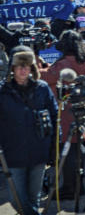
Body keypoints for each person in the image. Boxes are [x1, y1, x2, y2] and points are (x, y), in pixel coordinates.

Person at [0, 48, 57, 215]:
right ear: (12, 68)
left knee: (34, 197)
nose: (23, 70)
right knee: (16, 199)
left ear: (32, 68)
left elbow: (54, 116)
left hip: (38, 151)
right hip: (13, 153)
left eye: (27, 66)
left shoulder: (42, 88)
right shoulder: (3, 92)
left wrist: (55, 145)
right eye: (19, 66)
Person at [41, 30, 85, 201]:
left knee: (67, 151)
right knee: (77, 150)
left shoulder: (64, 64)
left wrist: (35, 63)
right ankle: (80, 185)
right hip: (79, 108)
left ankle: (71, 188)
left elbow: (46, 77)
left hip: (64, 112)